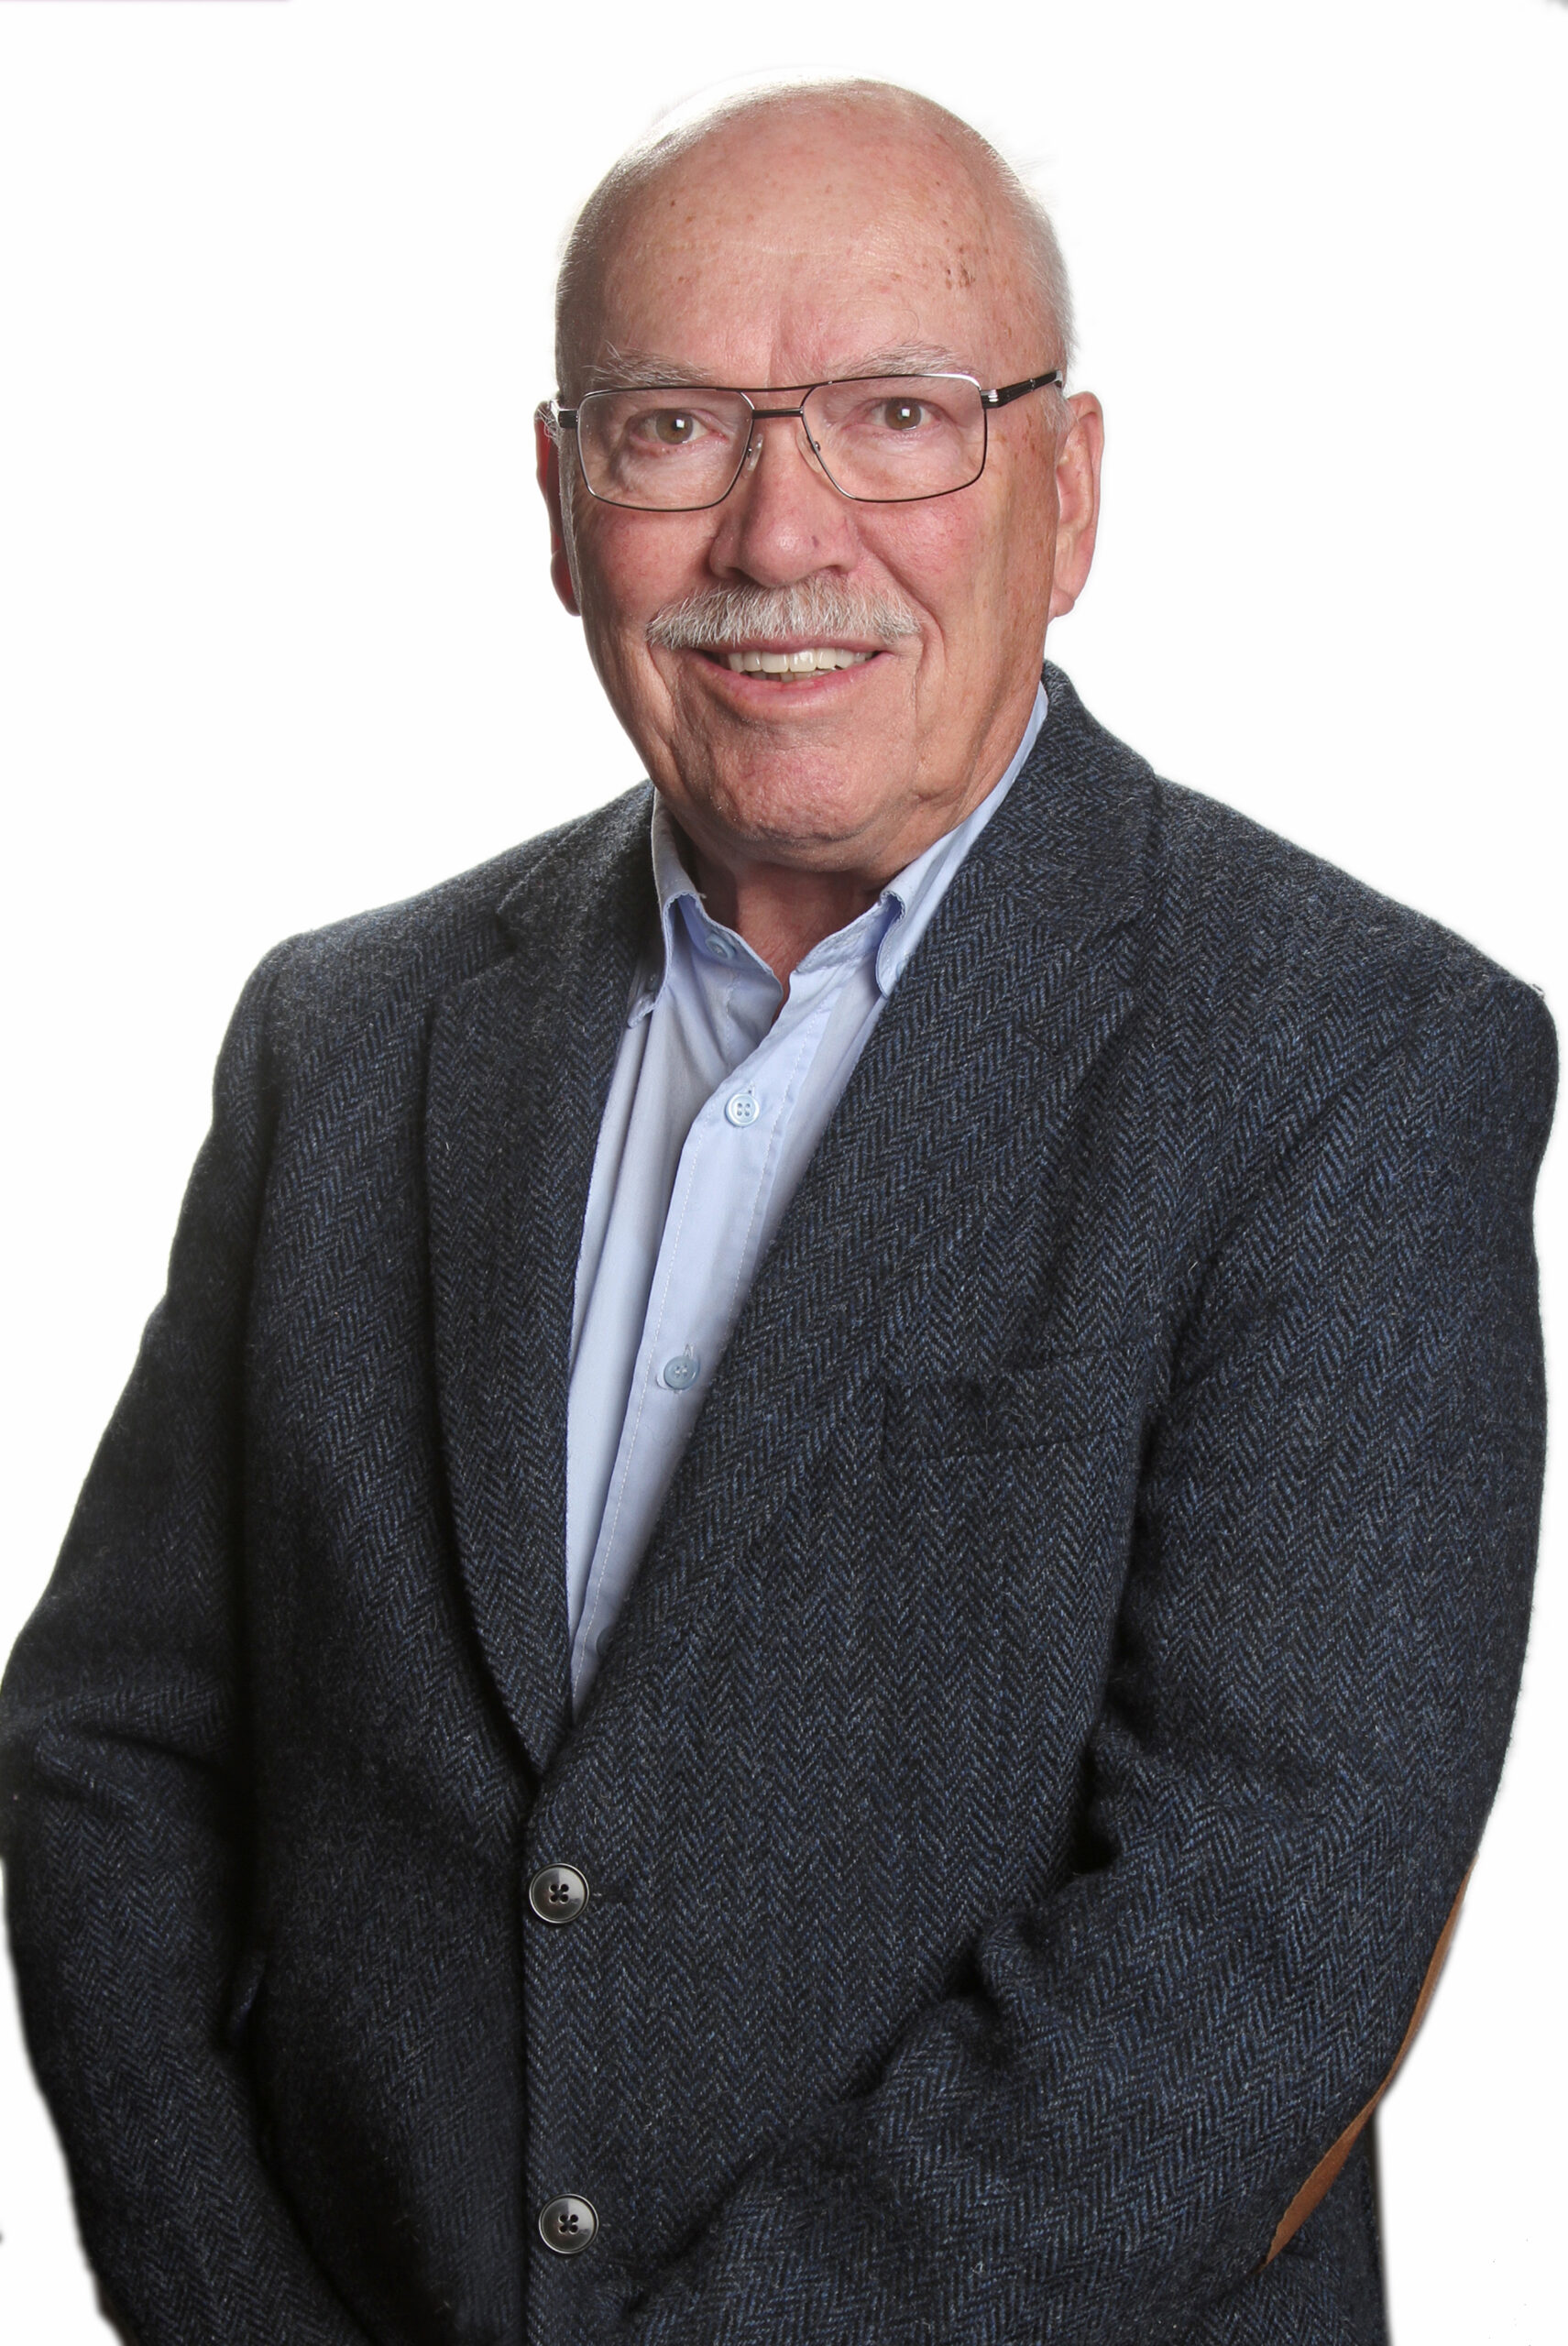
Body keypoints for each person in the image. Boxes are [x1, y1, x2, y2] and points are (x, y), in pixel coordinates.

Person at [0, 73, 1553, 2346]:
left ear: (1067, 490)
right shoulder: (342, 1040)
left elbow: (1251, 1949)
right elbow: (112, 1755)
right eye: (671, 429)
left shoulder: (1351, 1060)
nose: (778, 527)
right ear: (561, 507)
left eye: (899, 415)